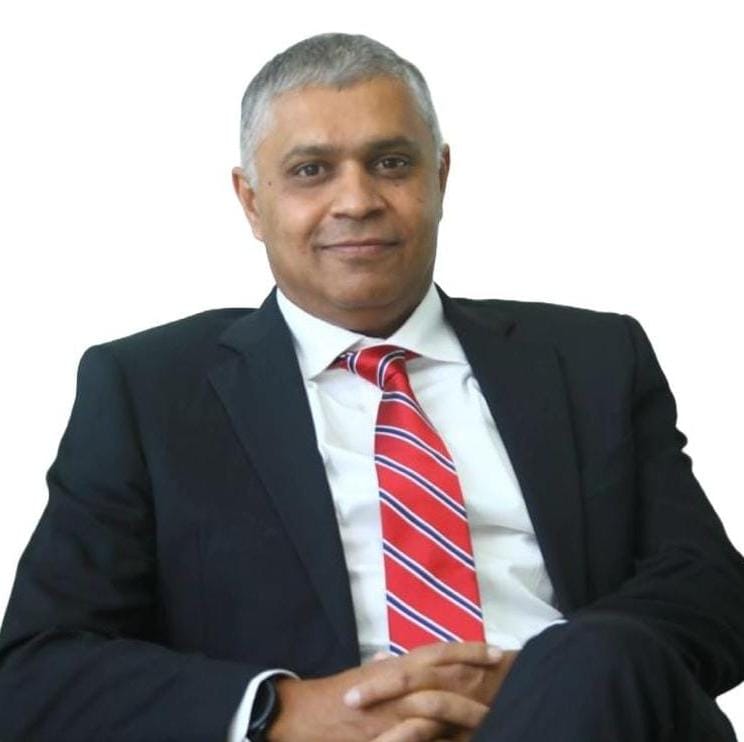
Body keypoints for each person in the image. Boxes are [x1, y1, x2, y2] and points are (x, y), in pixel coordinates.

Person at [1, 31, 743, 742]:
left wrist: (542, 683)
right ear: (251, 201)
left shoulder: (591, 359)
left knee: (599, 655)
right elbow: (36, 674)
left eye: (390, 163)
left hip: (591, 721)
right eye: (311, 170)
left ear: (440, 177)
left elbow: (713, 593)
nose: (356, 200)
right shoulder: (149, 391)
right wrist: (281, 711)